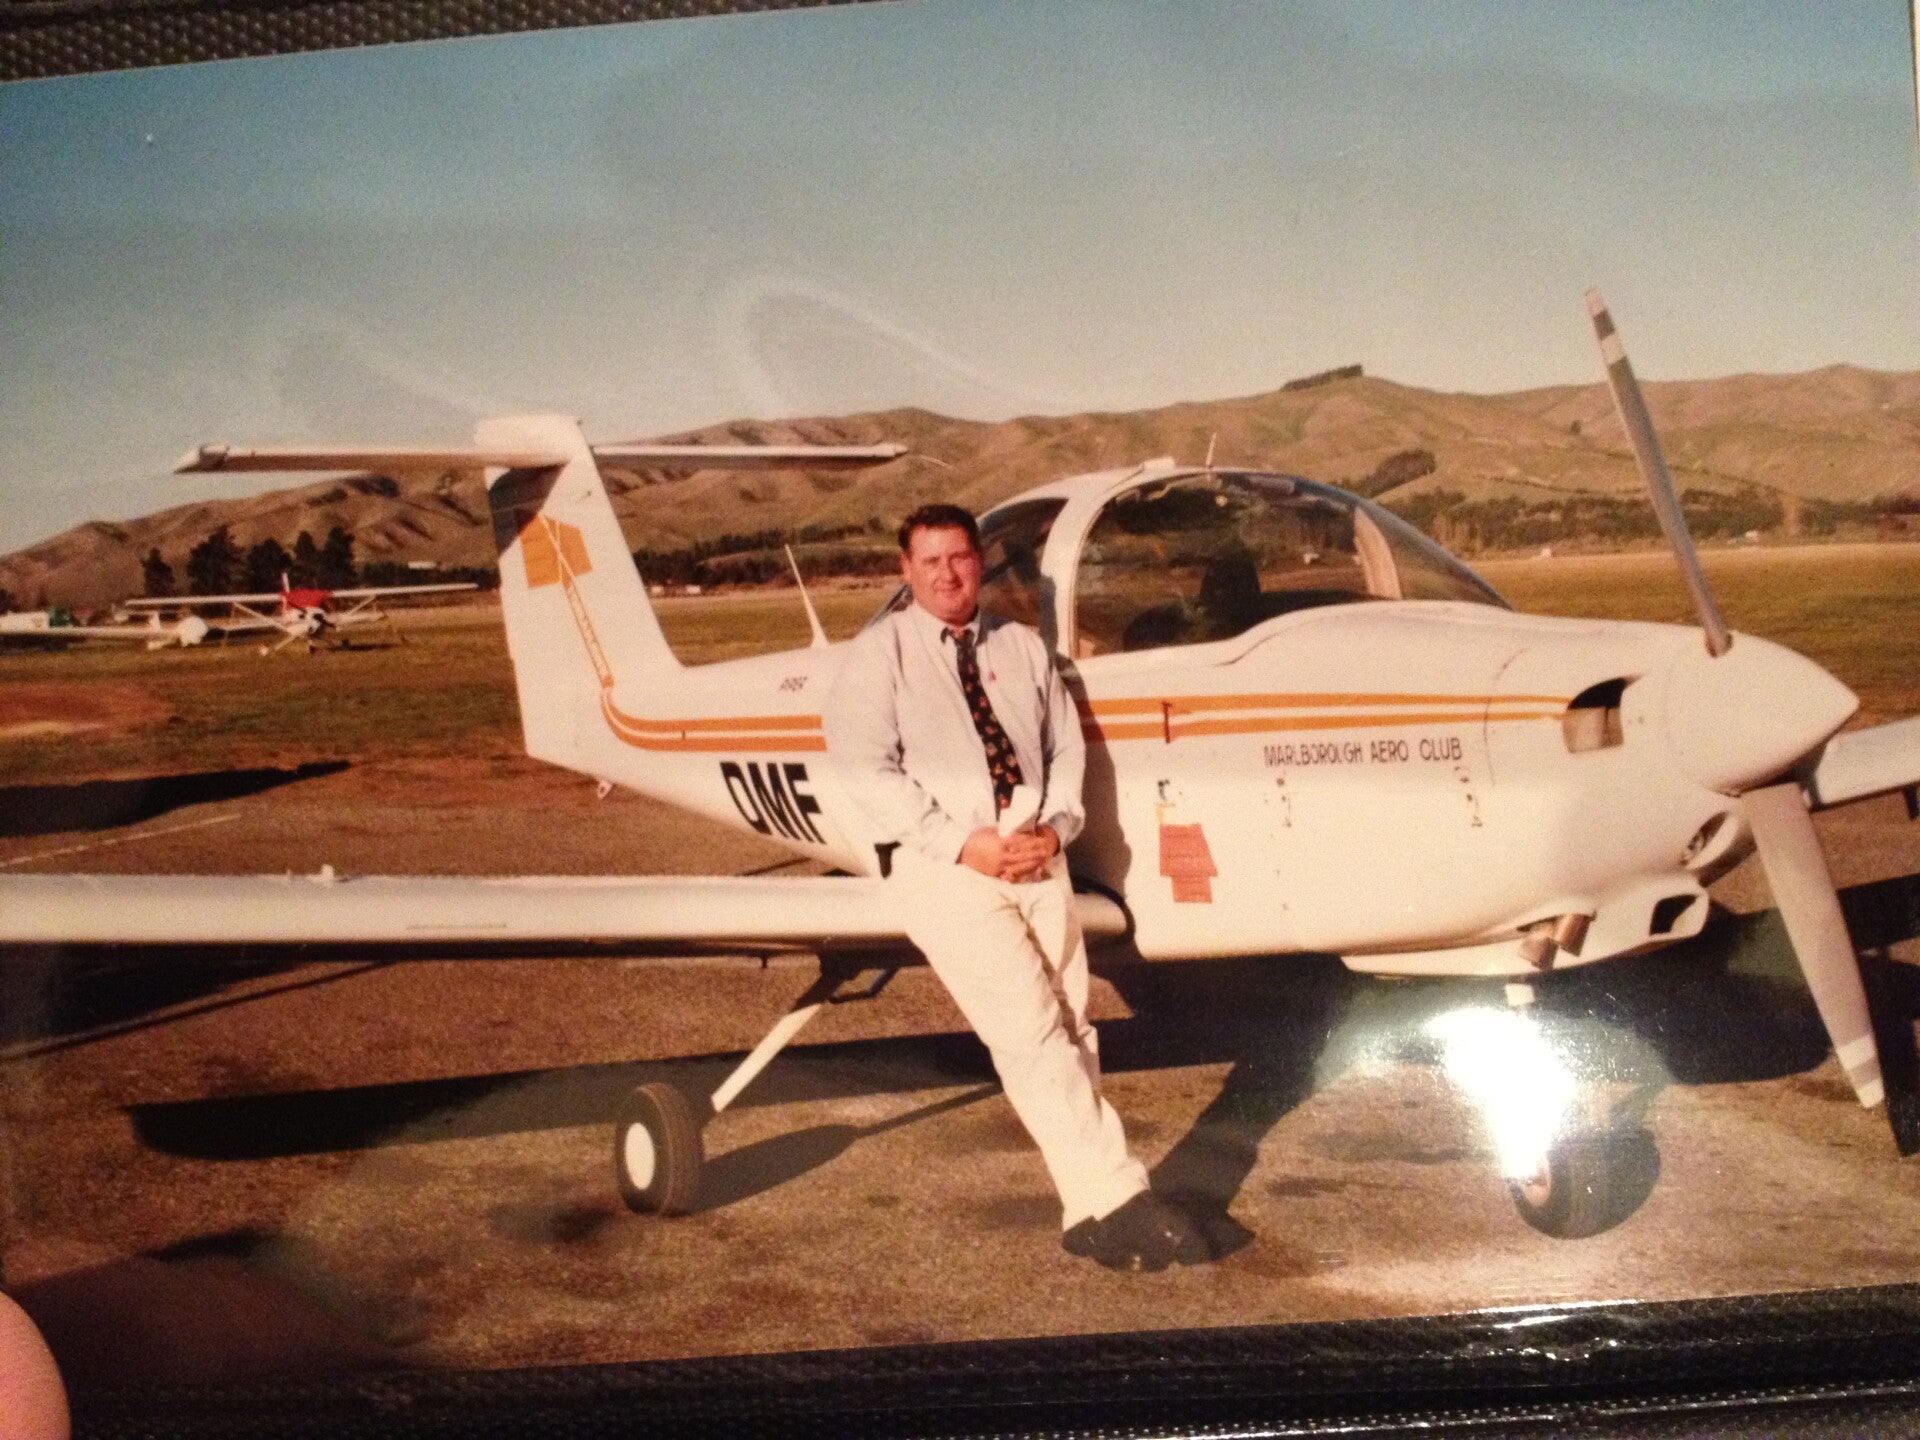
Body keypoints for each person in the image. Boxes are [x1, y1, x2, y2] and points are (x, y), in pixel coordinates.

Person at [824, 503, 1206, 1272]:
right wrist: (963, 844)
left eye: (960, 558)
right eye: (930, 561)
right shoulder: (879, 656)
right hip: (945, 869)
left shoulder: (1021, 647)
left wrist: (1057, 830)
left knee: (1071, 1025)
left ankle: (1086, 1211)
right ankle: (1122, 1198)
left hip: (1035, 856)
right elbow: (866, 770)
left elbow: (1064, 750)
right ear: (906, 570)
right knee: (1029, 1030)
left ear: (980, 561)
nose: (947, 574)